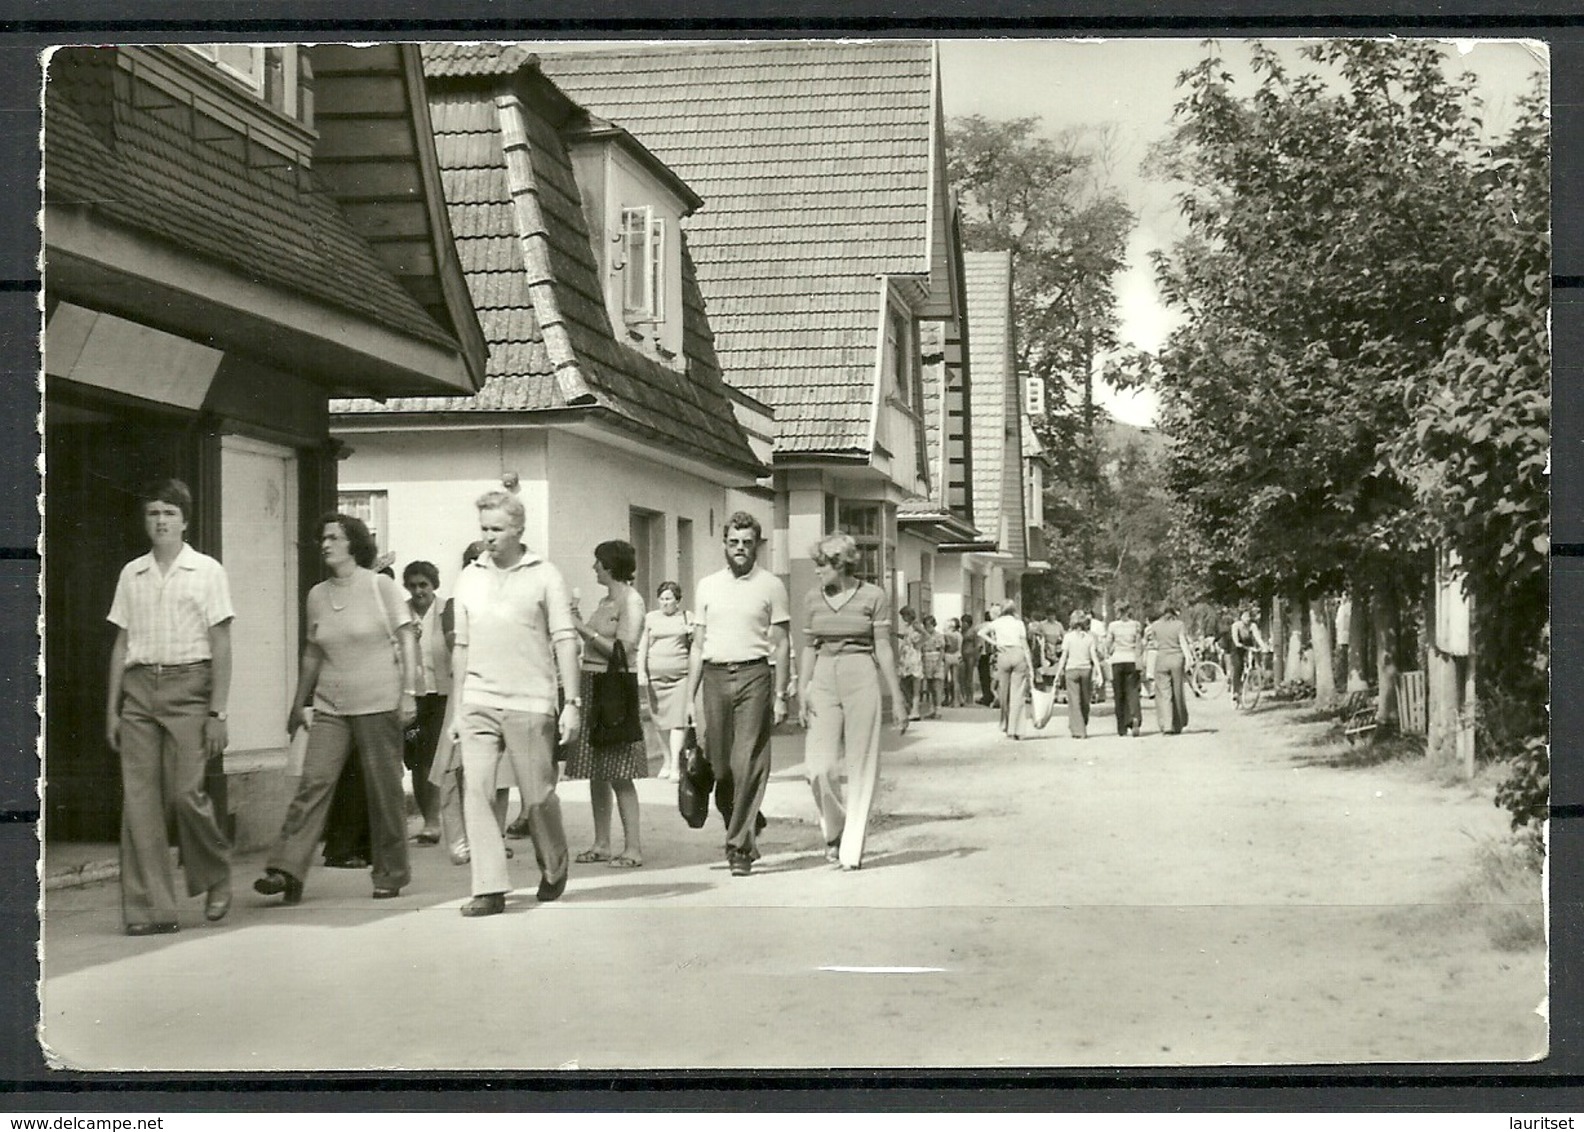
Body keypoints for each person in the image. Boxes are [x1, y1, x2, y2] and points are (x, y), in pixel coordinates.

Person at [255, 513, 417, 905]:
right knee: (314, 782)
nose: (325, 544)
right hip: (331, 704)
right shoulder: (316, 594)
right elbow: (313, 652)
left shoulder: (381, 587)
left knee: (383, 791)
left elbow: (407, 636)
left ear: (354, 544)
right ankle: (286, 870)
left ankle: (390, 872)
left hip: (379, 702)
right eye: (322, 538)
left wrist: (409, 691)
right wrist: (299, 702)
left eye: (334, 537)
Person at [105, 479, 235, 935]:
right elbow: (122, 644)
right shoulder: (131, 574)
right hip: (139, 690)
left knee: (185, 794)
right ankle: (150, 910)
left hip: (190, 688)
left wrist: (218, 712)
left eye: (169, 513)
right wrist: (112, 711)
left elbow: (221, 643)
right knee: (139, 802)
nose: (160, 521)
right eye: (153, 513)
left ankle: (216, 874)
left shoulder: (207, 572)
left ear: (185, 520)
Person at [442, 491, 578, 917]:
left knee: (537, 796)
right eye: (483, 529)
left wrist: (571, 701)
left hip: (531, 700)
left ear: (518, 529)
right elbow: (460, 647)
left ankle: (554, 863)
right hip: (479, 700)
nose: (488, 537)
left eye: (496, 529)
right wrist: (457, 710)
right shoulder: (469, 577)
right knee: (477, 792)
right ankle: (489, 888)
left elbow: (565, 639)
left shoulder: (545, 575)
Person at [684, 511, 791, 877]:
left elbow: (780, 643)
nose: (740, 549)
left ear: (756, 545)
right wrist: (689, 696)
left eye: (747, 543)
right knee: (721, 767)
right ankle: (748, 821)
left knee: (749, 762)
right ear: (725, 545)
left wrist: (780, 695)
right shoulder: (707, 586)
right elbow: (698, 645)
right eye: (734, 542)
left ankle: (739, 848)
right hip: (714, 677)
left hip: (754, 675)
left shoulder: (771, 586)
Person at [797, 533, 908, 870]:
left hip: (861, 675)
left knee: (863, 764)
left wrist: (898, 698)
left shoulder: (873, 596)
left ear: (840, 564)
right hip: (824, 676)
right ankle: (835, 828)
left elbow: (884, 647)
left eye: (821, 565)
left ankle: (851, 847)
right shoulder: (812, 599)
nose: (817, 572)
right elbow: (807, 648)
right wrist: (802, 690)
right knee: (819, 767)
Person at [566, 540, 648, 869]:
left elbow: (624, 650)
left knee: (619, 771)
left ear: (611, 565)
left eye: (598, 562)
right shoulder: (605, 601)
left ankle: (633, 848)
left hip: (614, 687)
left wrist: (580, 628)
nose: (594, 568)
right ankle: (601, 843)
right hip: (592, 684)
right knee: (596, 770)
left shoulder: (631, 600)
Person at [430, 542, 511, 866]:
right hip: (465, 690)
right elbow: (456, 644)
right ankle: (458, 840)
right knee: (450, 766)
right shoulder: (455, 603)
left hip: (499, 689)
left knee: (498, 771)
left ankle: (494, 836)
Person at [402, 560, 448, 845]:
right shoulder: (402, 613)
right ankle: (429, 818)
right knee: (416, 759)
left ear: (434, 586)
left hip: (442, 696)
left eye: (424, 585)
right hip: (412, 697)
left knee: (434, 757)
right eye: (413, 585)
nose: (419, 591)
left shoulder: (447, 611)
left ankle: (434, 821)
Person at [637, 581, 693, 781]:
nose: (664, 602)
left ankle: (677, 765)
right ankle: (667, 761)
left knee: (678, 721)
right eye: (662, 598)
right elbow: (643, 646)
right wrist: (641, 671)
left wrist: (691, 631)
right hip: (655, 677)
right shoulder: (650, 618)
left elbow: (696, 646)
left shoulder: (687, 617)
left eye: (669, 599)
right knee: (660, 722)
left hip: (681, 676)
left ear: (678, 600)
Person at [979, 602, 1031, 739]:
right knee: (1018, 694)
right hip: (1018, 653)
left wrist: (995, 643)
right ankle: (1017, 729)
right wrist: (1030, 664)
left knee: (1004, 692)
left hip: (1003, 654)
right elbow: (1024, 644)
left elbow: (981, 632)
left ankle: (1006, 725)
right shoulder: (1018, 623)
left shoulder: (997, 622)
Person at [1149, 603, 1198, 735]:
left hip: (1162, 659)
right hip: (1177, 659)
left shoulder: (1155, 626)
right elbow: (1183, 641)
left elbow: (1154, 643)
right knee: (1178, 691)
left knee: (1164, 693)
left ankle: (1166, 724)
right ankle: (1179, 723)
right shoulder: (1179, 625)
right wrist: (1189, 658)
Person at [1054, 612, 1101, 739]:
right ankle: (1081, 724)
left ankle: (1078, 729)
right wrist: (1099, 673)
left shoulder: (1068, 637)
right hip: (1086, 670)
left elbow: (1064, 657)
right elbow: (1094, 657)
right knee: (1085, 700)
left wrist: (1058, 674)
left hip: (1071, 670)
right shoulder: (1090, 638)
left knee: (1074, 701)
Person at [1104, 601, 1145, 737]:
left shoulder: (1113, 626)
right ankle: (1134, 717)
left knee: (1119, 694)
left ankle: (1122, 727)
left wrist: (1111, 651)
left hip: (1117, 660)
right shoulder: (1136, 625)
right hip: (1132, 660)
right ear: (1129, 611)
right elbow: (1140, 644)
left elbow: (1108, 645)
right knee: (1133, 691)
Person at [1230, 606, 1269, 706]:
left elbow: (1257, 637)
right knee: (1238, 667)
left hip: (1248, 645)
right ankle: (1235, 691)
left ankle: (1250, 680)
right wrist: (1240, 645)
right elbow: (1235, 640)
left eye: (1248, 616)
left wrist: (1264, 647)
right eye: (1245, 616)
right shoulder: (1236, 625)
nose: (1247, 619)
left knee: (1253, 662)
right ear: (1241, 617)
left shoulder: (1252, 626)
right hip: (1237, 647)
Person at [896, 606, 924, 720]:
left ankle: (915, 710)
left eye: (904, 616)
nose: (903, 618)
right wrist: (896, 635)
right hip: (906, 656)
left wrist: (919, 644)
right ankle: (912, 707)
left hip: (912, 656)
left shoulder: (916, 625)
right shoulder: (908, 626)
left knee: (914, 683)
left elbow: (926, 635)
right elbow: (908, 637)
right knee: (903, 684)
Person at [918, 614, 945, 720]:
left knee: (937, 686)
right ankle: (932, 709)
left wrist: (938, 664)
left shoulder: (938, 636)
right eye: (926, 626)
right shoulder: (923, 636)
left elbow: (942, 650)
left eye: (929, 626)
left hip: (935, 657)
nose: (927, 628)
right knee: (930, 686)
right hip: (926, 659)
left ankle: (938, 709)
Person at [957, 617, 980, 706]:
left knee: (969, 677)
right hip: (963, 655)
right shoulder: (960, 632)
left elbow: (977, 644)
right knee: (962, 676)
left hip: (971, 655)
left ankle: (970, 697)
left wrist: (976, 657)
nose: (963, 624)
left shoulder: (973, 632)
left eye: (964, 622)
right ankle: (963, 696)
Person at [976, 610, 997, 706]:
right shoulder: (996, 626)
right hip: (994, 654)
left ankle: (986, 696)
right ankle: (994, 695)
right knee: (994, 677)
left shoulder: (980, 627)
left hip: (983, 654)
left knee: (984, 676)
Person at [941, 617, 963, 709]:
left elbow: (947, 646)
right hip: (957, 656)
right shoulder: (959, 635)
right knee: (955, 680)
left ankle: (944, 699)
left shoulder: (947, 635)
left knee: (943, 679)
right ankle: (956, 701)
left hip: (948, 656)